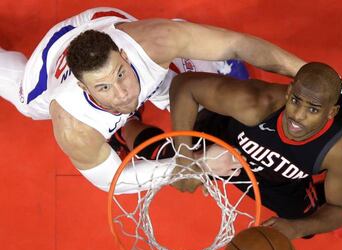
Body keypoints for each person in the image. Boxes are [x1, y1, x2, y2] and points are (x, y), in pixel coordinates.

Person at [0, 7, 305, 194]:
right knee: (24, 101)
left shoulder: (153, 42)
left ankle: (198, 54)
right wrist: (197, 165)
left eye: (120, 74)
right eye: (103, 88)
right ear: (82, 86)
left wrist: (307, 73)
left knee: (187, 83)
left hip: (106, 21)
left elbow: (238, 44)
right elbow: (113, 180)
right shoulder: (74, 125)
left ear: (123, 55)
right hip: (50, 58)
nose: (121, 93)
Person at [169, 62, 342, 239]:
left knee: (306, 224)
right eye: (295, 100)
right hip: (223, 148)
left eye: (313, 110)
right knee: (166, 157)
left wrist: (295, 228)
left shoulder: (339, 149)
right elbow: (184, 86)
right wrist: (184, 157)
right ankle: (222, 66)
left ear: (331, 113)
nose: (298, 115)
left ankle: (333, 189)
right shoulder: (255, 103)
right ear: (289, 91)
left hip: (280, 184)